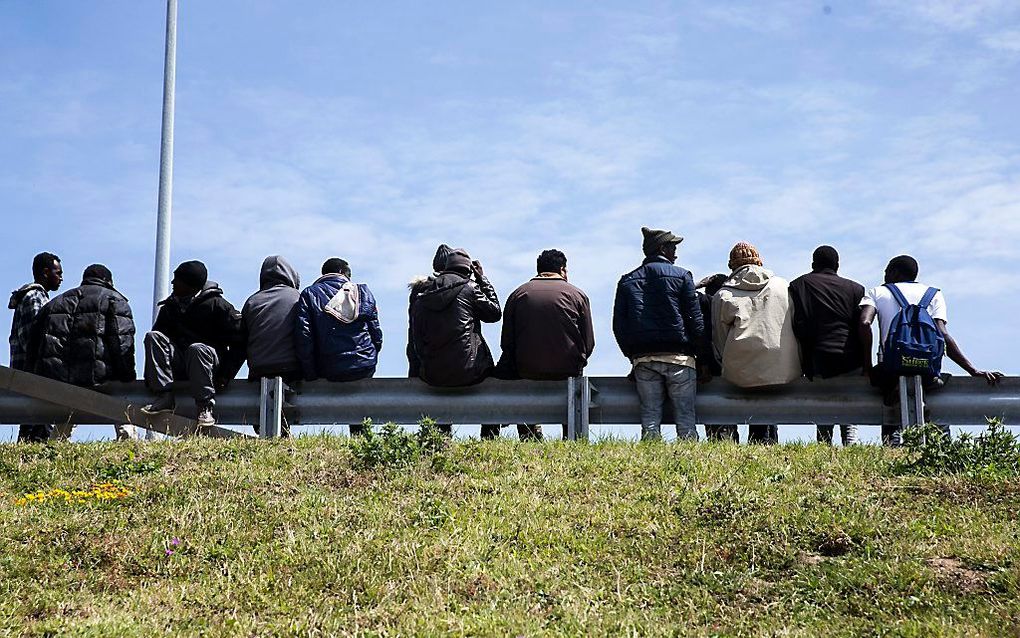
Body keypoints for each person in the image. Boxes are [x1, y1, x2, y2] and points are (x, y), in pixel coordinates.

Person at [859, 255, 1003, 445]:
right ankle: (939, 439)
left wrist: (868, 367)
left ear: (894, 272)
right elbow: (943, 335)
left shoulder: (878, 292)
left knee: (885, 384)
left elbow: (864, 322)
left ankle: (892, 441)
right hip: (926, 370)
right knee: (937, 387)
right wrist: (972, 370)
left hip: (892, 369)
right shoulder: (934, 294)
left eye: (886, 272)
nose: (884, 276)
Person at [613, 227, 704, 442]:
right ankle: (690, 466)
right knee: (686, 421)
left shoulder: (627, 280)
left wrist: (632, 355)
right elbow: (696, 321)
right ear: (662, 248)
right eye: (673, 247)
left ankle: (651, 460)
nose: (676, 252)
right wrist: (701, 357)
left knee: (650, 420)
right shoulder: (682, 276)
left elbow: (619, 326)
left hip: (644, 359)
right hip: (680, 358)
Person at [27, 265, 136, 440]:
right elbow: (121, 343)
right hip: (99, 376)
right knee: (120, 403)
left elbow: (33, 344)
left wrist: (34, 377)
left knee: (68, 411)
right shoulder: (115, 300)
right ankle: (127, 441)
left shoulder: (55, 302)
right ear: (108, 281)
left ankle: (56, 445)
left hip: (58, 379)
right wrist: (127, 377)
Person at [495, 249, 595, 440]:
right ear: (563, 270)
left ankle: (529, 434)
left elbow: (506, 342)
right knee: (574, 383)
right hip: (567, 370)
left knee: (516, 374)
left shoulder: (518, 294)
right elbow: (588, 342)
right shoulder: (577, 295)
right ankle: (571, 435)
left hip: (527, 369)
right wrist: (578, 360)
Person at [409, 248, 502, 438]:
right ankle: (490, 437)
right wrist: (482, 279)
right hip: (469, 371)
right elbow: (494, 313)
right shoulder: (470, 289)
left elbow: (416, 338)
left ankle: (441, 439)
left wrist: (424, 363)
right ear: (468, 270)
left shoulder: (423, 294)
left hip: (432, 373)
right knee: (494, 378)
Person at [713, 242, 800, 445]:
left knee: (746, 384)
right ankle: (766, 442)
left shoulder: (723, 295)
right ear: (759, 262)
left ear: (732, 266)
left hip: (740, 369)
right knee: (768, 409)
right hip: (780, 365)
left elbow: (719, 339)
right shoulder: (782, 286)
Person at [142, 260, 246, 428]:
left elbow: (240, 343)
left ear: (191, 284)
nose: (172, 283)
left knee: (196, 348)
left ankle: (204, 407)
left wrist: (225, 375)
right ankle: (164, 397)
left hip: (209, 366)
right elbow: (158, 347)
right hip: (180, 363)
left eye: (178, 280)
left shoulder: (217, 305)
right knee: (153, 336)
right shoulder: (169, 307)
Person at [788, 246, 865, 446]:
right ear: (837, 266)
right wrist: (867, 364)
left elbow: (797, 325)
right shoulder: (856, 289)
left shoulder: (798, 285)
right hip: (850, 358)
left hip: (817, 359)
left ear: (813, 264)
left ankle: (825, 448)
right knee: (849, 414)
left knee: (824, 415)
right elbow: (861, 328)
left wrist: (802, 362)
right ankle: (851, 445)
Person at [295, 257, 382, 384]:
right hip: (364, 365)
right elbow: (376, 333)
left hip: (328, 367)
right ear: (342, 272)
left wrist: (310, 375)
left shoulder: (310, 293)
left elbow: (304, 336)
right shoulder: (362, 292)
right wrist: (370, 357)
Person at [241, 255, 302, 436]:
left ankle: (271, 432)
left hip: (260, 369)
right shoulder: (298, 298)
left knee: (266, 409)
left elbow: (241, 343)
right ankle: (281, 434)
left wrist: (225, 375)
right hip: (291, 368)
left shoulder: (252, 301)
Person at [8, 252, 62, 442]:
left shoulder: (34, 296)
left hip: (28, 375)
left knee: (31, 429)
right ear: (45, 272)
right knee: (38, 430)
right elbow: (35, 340)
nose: (61, 278)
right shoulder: (35, 297)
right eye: (58, 273)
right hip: (34, 375)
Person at [696, 273, 737, 443]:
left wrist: (697, 284)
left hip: (707, 363)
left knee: (712, 418)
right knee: (729, 416)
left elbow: (679, 293)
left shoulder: (703, 302)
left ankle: (718, 441)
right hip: (730, 361)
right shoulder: (728, 304)